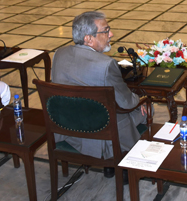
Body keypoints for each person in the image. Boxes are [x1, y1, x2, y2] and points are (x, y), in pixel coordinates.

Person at [51, 11, 146, 175]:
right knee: (145, 110)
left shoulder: (59, 54)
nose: (111, 34)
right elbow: (126, 102)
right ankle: (125, 167)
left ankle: (111, 168)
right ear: (88, 39)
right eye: (106, 30)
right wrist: (141, 100)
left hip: (66, 129)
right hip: (100, 135)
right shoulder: (106, 65)